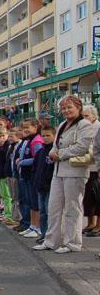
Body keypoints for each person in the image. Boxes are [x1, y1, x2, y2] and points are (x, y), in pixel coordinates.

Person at [34, 95, 94, 254]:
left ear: (78, 107)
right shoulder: (61, 125)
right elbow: (54, 145)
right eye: (64, 108)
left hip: (75, 171)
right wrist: (54, 153)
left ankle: (72, 243)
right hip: (58, 171)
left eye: (69, 107)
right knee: (53, 207)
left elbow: (81, 147)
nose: (66, 110)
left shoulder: (85, 125)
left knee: (72, 208)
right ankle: (51, 240)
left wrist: (60, 154)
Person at [17, 119, 44, 239]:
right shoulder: (29, 140)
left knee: (34, 202)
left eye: (28, 127)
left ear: (35, 127)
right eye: (24, 127)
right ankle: (32, 226)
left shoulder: (37, 141)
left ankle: (37, 227)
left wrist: (22, 162)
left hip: (33, 175)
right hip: (27, 175)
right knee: (30, 201)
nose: (25, 130)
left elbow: (38, 158)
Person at [33, 126, 56, 244]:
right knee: (42, 212)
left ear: (54, 136)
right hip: (40, 186)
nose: (45, 138)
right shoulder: (41, 152)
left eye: (48, 135)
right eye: (43, 135)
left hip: (50, 186)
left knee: (49, 211)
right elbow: (35, 167)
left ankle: (49, 235)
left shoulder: (53, 152)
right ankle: (43, 234)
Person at [81, 106, 100, 236]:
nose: (85, 119)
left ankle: (98, 224)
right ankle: (90, 222)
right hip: (86, 166)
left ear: (94, 116)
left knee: (97, 196)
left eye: (87, 116)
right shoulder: (83, 128)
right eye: (83, 116)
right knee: (88, 198)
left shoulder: (97, 128)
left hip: (95, 167)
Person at [0, 128, 12, 223]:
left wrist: (1, 147)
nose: (1, 138)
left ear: (7, 135)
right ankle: (5, 213)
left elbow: (6, 159)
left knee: (8, 196)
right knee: (4, 195)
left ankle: (9, 214)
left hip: (5, 174)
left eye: (3, 136)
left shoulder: (7, 145)